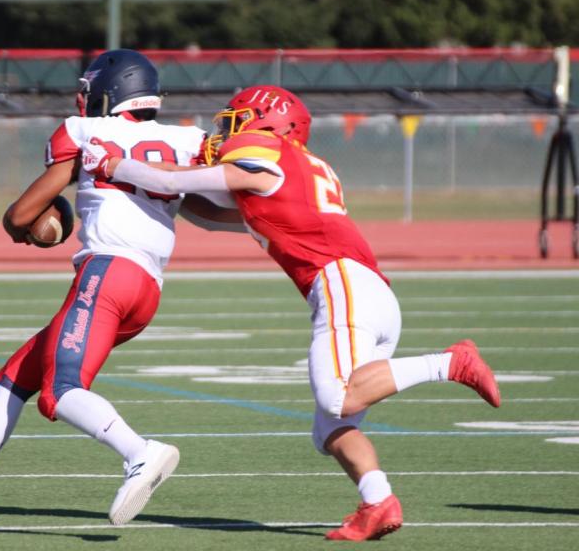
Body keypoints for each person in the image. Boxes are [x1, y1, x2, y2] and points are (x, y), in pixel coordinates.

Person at [80, 85, 502, 542]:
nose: (224, 132)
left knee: (338, 397)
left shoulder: (265, 150)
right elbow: (201, 208)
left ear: (268, 124)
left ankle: (450, 362)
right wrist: (156, 183)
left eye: (236, 121)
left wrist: (113, 165)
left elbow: (172, 182)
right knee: (333, 428)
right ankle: (378, 501)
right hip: (368, 292)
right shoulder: (297, 168)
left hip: (340, 284)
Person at [0, 49, 209, 533]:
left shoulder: (86, 131)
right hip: (146, 288)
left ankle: (140, 451)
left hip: (108, 273)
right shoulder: (187, 139)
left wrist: (35, 226)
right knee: (15, 377)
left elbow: (19, 215)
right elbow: (207, 205)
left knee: (62, 390)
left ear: (110, 94)